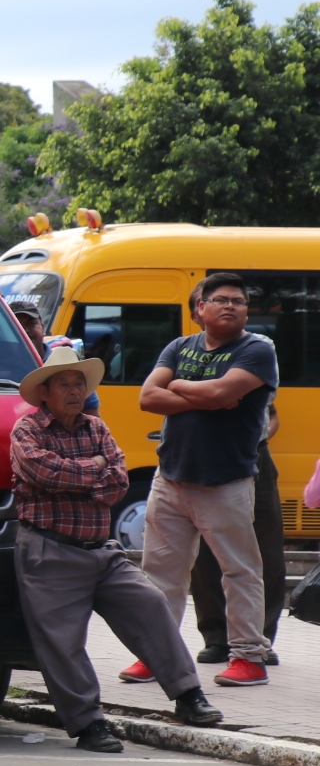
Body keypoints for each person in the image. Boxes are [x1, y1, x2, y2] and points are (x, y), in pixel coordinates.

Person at [10, 346, 223, 750]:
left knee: (150, 605)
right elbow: (41, 470)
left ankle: (188, 695)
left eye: (79, 384)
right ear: (45, 393)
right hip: (49, 550)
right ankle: (89, 724)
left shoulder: (96, 428)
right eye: (64, 385)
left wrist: (78, 474)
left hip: (102, 551)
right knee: (62, 643)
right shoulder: (28, 429)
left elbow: (118, 483)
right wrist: (92, 470)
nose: (74, 392)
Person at [130, 272, 278, 688]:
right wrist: (203, 390)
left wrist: (180, 386)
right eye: (220, 299)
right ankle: (157, 655)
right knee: (160, 573)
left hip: (226, 481)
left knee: (240, 571)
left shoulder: (256, 349)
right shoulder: (179, 346)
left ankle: (249, 658)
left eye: (239, 301)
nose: (230, 305)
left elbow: (219, 396)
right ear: (200, 309)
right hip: (171, 477)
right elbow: (147, 398)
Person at [189, 401, 284, 668]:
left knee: (268, 550)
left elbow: (272, 414)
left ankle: (259, 638)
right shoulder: (194, 360)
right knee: (205, 551)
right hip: (208, 452)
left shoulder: (257, 361)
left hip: (255, 453)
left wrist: (257, 433)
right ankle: (217, 638)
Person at [10, 299, 97, 413]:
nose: (26, 331)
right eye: (18, 327)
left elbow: (93, 418)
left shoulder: (67, 363)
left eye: (31, 324)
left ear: (42, 327)